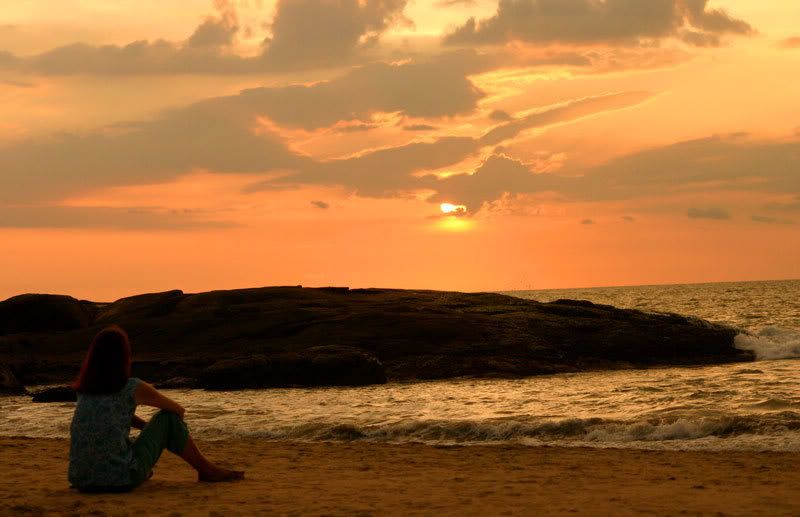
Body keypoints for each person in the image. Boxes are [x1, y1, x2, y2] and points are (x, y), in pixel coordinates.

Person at [68, 325, 244, 492]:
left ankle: (149, 469)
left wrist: (147, 428)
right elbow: (178, 411)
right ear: (124, 356)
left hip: (81, 479)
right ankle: (207, 470)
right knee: (169, 417)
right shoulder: (132, 387)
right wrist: (161, 434)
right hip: (119, 478)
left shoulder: (84, 390)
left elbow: (112, 414)